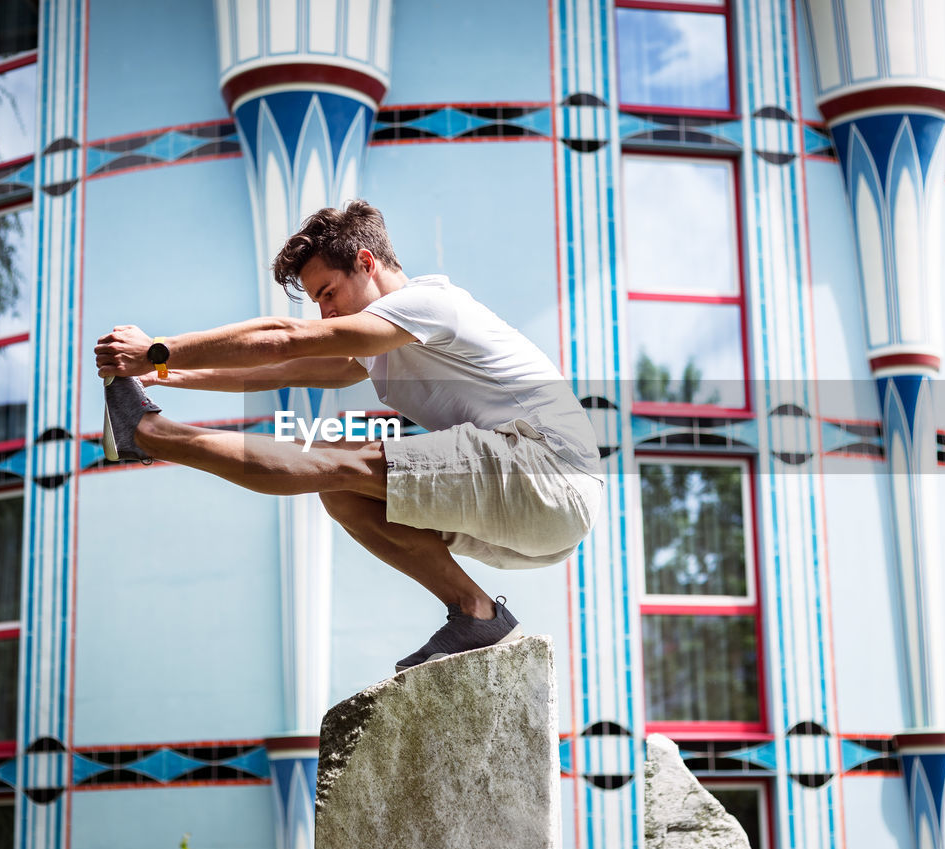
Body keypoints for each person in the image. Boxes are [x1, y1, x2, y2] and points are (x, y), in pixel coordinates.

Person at [94, 201, 603, 671]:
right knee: (344, 491)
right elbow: (282, 368)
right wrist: (158, 374)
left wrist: (158, 349)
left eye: (328, 294)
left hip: (547, 468)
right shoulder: (378, 347)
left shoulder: (428, 303)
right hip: (541, 520)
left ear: (366, 261)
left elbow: (282, 339)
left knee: (337, 457)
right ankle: (477, 613)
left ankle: (150, 435)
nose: (325, 314)